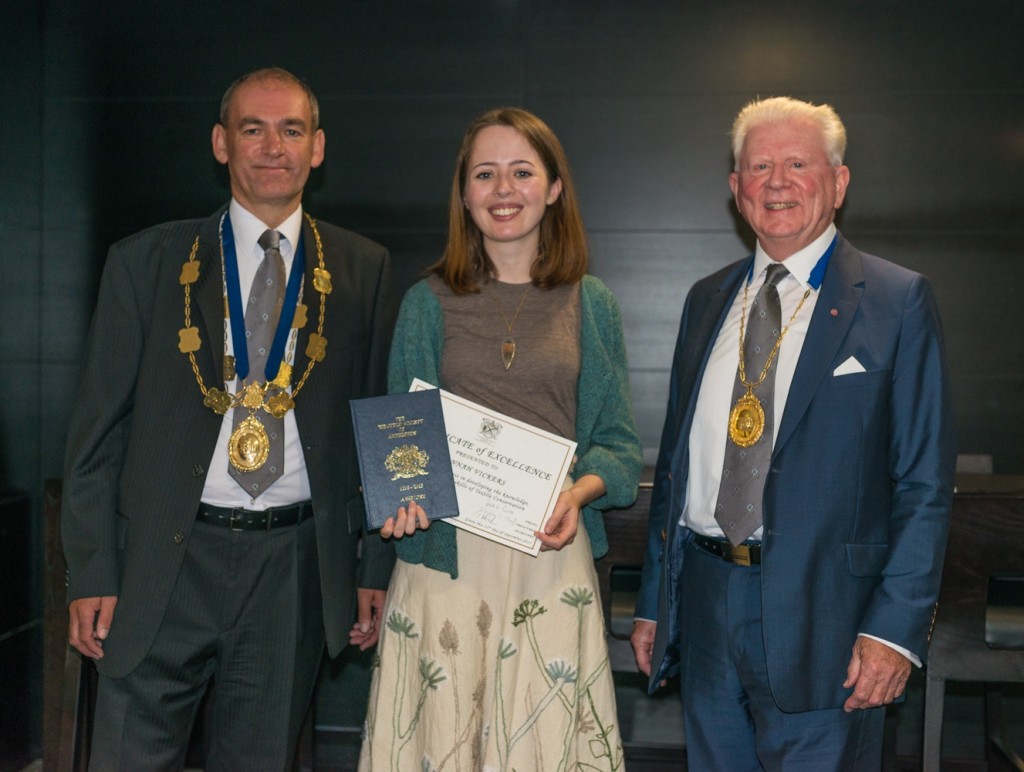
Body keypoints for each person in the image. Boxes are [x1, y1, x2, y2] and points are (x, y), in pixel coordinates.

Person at [61, 67, 396, 769]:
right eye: (253, 128)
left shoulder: (364, 269)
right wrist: (93, 569)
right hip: (161, 563)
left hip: (293, 570)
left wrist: (375, 563)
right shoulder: (144, 262)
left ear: (318, 146)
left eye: (292, 129)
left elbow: (382, 421)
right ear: (221, 144)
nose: (273, 146)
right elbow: (95, 437)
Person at [631, 96, 956, 769]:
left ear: (838, 183)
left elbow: (924, 484)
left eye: (797, 164)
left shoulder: (897, 302)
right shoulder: (705, 299)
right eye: (759, 166)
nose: (776, 181)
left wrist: (893, 632)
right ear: (735, 189)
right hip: (707, 603)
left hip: (830, 623)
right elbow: (675, 469)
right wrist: (655, 603)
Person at [358, 107, 643, 771]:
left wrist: (580, 492)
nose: (503, 189)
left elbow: (619, 447)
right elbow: (402, 446)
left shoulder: (591, 302)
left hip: (548, 554)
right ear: (464, 194)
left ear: (553, 189)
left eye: (522, 172)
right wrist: (401, 497)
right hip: (443, 562)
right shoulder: (425, 303)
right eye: (485, 174)